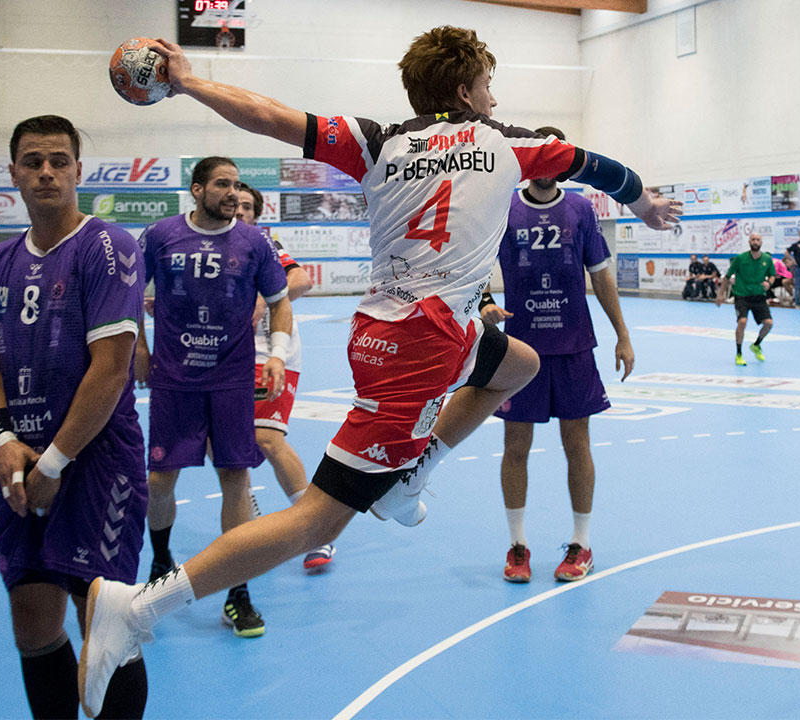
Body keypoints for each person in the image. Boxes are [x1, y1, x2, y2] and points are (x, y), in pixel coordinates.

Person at [77, 28, 680, 715]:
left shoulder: (374, 139)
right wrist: (642, 203)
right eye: (488, 83)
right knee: (315, 523)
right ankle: (137, 607)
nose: (493, 94)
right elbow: (603, 167)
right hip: (418, 354)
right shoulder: (508, 143)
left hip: (398, 332)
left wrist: (186, 81)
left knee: (518, 363)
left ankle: (409, 478)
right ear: (464, 92)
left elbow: (267, 114)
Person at [0, 115, 149, 718]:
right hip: (23, 458)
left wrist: (54, 460)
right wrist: (2, 441)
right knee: (30, 617)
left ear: (78, 169)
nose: (46, 171)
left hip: (95, 457)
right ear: (14, 171)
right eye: (32, 160)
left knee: (104, 622)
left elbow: (111, 370)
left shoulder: (108, 246)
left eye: (58, 160)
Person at [134, 157, 294, 639]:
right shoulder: (160, 235)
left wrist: (278, 354)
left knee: (236, 479)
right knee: (160, 480)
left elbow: (281, 301)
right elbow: (127, 296)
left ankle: (237, 591)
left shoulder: (254, 242)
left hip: (231, 378)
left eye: (236, 185)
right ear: (197, 189)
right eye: (222, 184)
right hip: (173, 377)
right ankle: (161, 560)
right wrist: (139, 347)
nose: (231, 192)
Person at [478, 126, 631, 583]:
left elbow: (601, 276)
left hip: (573, 347)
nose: (547, 169)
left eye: (555, 161)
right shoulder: (501, 208)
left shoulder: (581, 210)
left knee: (576, 444)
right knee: (515, 447)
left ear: (564, 165)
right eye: (539, 160)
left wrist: (622, 334)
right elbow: (470, 259)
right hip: (520, 351)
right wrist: (484, 301)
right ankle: (518, 545)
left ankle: (581, 545)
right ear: (528, 164)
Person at [235, 183, 337, 570]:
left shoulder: (265, 244)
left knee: (267, 438)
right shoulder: (212, 247)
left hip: (272, 355)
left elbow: (300, 281)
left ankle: (320, 530)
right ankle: (252, 520)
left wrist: (265, 298)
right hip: (229, 361)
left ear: (256, 216)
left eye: (248, 206)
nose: (241, 211)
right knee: (224, 444)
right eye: (237, 205)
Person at [716, 233, 775, 366]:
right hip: (742, 295)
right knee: (742, 322)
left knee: (769, 323)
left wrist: (769, 283)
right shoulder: (740, 258)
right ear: (749, 242)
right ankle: (739, 353)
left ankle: (756, 345)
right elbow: (727, 277)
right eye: (753, 239)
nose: (755, 242)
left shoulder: (767, 258)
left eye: (758, 240)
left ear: (761, 242)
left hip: (759, 296)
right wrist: (721, 294)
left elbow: (772, 275)